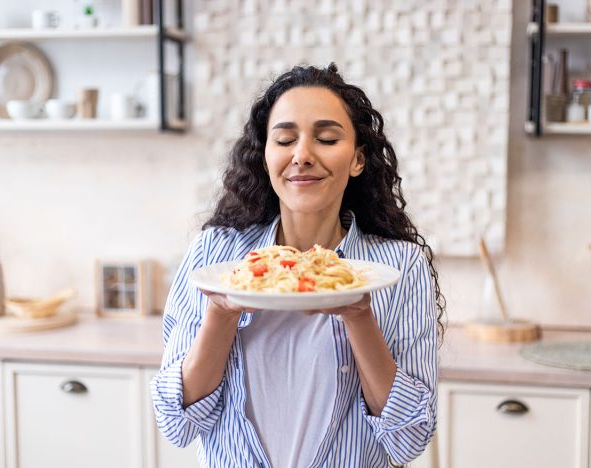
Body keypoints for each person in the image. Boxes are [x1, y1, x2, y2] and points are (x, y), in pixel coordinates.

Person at [150, 63, 445, 468]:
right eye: (285, 139)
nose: (302, 156)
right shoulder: (214, 255)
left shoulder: (399, 266)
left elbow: (409, 439)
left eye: (326, 138)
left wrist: (360, 315)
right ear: (266, 156)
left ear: (358, 159)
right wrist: (220, 312)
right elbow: (176, 423)